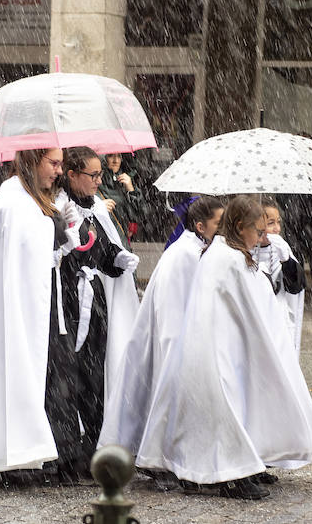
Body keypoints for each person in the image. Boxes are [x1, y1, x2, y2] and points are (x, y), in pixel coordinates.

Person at [134, 196, 312, 500]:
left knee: (245, 403)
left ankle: (247, 462)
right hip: (215, 350)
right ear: (240, 227)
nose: (261, 237)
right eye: (257, 230)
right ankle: (227, 473)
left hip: (228, 346)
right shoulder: (227, 257)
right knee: (226, 408)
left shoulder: (230, 253)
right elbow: (246, 304)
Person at [0, 147, 84, 486]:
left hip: (34, 304)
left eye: (60, 163)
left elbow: (36, 252)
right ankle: (12, 453)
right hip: (18, 309)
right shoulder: (14, 202)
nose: (58, 170)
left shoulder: (28, 199)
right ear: (32, 160)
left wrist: (60, 240)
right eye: (53, 162)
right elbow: (22, 255)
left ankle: (26, 450)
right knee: (17, 372)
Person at [100, 195, 223, 460]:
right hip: (173, 338)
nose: (222, 229)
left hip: (179, 337)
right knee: (165, 396)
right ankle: (160, 456)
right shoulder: (186, 254)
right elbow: (175, 304)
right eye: (218, 223)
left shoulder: (194, 249)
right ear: (200, 227)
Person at [54, 147, 140, 471]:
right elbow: (61, 255)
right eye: (92, 175)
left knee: (94, 374)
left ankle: (93, 442)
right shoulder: (60, 208)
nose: (98, 181)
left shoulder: (95, 209)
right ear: (72, 175)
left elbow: (103, 248)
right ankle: (68, 448)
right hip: (68, 301)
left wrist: (117, 259)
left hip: (95, 301)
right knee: (68, 374)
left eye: (100, 175)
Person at [255, 197, 306, 355]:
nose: (277, 228)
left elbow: (295, 287)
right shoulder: (245, 250)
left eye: (278, 222)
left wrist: (286, 261)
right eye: (270, 223)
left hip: (279, 317)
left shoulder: (282, 248)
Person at [98, 153, 141, 246]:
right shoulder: (97, 180)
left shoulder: (127, 179)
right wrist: (98, 205)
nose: (116, 161)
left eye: (119, 156)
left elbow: (140, 211)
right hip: (103, 237)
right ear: (103, 159)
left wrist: (131, 190)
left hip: (122, 237)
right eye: (110, 156)